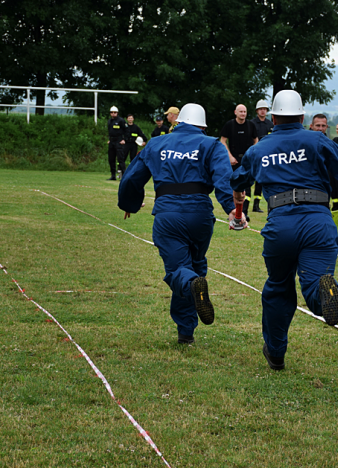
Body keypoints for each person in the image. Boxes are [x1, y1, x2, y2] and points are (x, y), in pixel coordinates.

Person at [230, 89, 338, 371]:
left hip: (281, 221)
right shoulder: (317, 139)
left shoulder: (259, 149)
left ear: (274, 117)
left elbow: (238, 180)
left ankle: (276, 352)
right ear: (303, 116)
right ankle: (323, 294)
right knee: (316, 278)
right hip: (318, 219)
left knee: (279, 288)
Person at [117, 103, 240, 344]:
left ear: (178, 122)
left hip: (168, 214)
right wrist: (233, 211)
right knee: (194, 265)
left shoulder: (157, 143)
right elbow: (224, 179)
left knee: (179, 271)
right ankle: (186, 333)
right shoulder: (212, 144)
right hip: (201, 215)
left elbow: (132, 177)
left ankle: (192, 287)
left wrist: (129, 204)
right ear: (203, 126)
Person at [220, 104, 259, 218]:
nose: (243, 113)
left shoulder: (250, 125)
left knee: (246, 187)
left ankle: (244, 212)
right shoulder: (229, 125)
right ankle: (233, 211)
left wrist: (252, 155)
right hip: (233, 160)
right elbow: (223, 141)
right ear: (235, 112)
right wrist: (230, 156)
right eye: (241, 111)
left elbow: (256, 141)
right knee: (233, 186)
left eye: (245, 111)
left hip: (247, 161)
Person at [251, 100, 274, 213]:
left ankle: (256, 205)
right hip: (254, 154)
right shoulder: (251, 124)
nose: (263, 111)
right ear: (257, 111)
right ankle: (243, 205)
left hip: (266, 156)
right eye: (261, 109)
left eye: (264, 109)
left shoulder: (270, 125)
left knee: (261, 181)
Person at [107, 106, 127, 181]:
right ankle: (113, 175)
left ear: (117, 113)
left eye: (114, 112)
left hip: (119, 141)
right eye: (112, 112)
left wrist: (124, 139)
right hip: (112, 141)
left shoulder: (121, 121)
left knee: (120, 159)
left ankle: (124, 175)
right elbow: (110, 131)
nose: (113, 114)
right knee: (111, 159)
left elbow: (126, 130)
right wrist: (109, 140)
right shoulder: (109, 121)